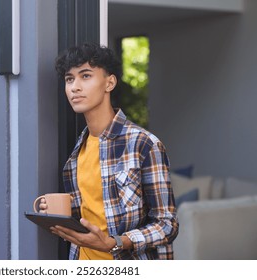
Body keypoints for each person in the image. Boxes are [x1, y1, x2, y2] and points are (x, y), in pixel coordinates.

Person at [41, 42, 178, 260]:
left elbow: (167, 224)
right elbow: (89, 214)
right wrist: (53, 211)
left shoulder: (142, 143)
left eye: (85, 76)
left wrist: (115, 243)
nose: (75, 86)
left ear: (109, 82)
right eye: (69, 79)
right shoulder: (79, 150)